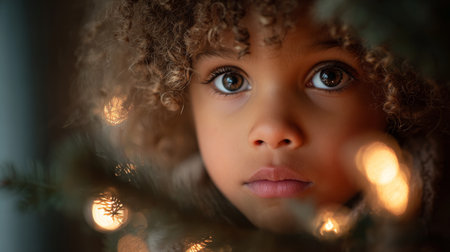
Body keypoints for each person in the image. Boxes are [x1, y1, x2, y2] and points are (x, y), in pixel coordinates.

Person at [74, 0, 449, 248]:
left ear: (399, 88)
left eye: (329, 77)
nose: (272, 128)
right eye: (230, 80)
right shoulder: (151, 235)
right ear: (182, 102)